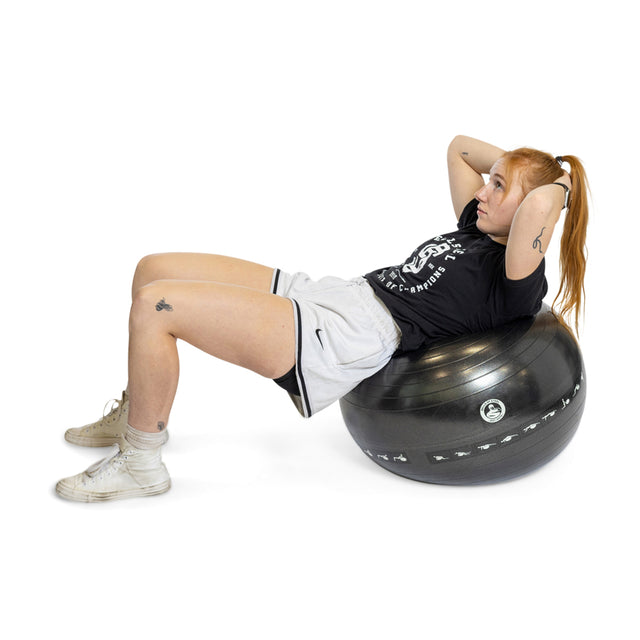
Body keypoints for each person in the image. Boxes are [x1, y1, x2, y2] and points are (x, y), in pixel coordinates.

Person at [55, 135, 589, 502]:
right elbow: (460, 146)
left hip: (348, 334)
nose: (481, 192)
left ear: (529, 214)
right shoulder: (477, 227)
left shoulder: (517, 279)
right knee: (152, 272)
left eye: (498, 187)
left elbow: (541, 202)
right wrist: (514, 172)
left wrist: (560, 183)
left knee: (158, 306)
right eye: (488, 181)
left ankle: (141, 460)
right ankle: (137, 412)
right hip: (337, 294)